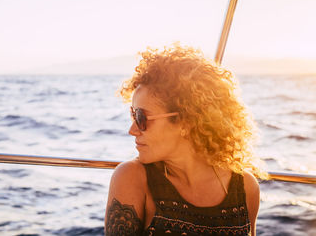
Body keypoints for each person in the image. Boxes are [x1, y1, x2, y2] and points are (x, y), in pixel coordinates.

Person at [105, 43, 264, 236]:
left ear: (186, 121)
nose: (132, 130)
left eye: (141, 118)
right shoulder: (132, 178)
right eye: (133, 115)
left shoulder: (246, 188)